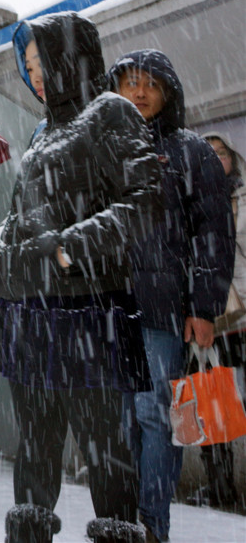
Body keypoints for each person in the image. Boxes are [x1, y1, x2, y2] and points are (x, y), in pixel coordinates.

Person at [0, 12, 163, 543]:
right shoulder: (42, 131)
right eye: (28, 66)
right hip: (32, 310)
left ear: (72, 56)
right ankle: (30, 532)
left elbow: (147, 201)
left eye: (44, 62)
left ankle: (117, 532)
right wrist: (1, 243)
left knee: (104, 444)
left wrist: (69, 249)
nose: (36, 76)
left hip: (90, 311)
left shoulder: (109, 112)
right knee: (36, 444)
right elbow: (27, 211)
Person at [107, 50, 234, 542]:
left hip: (165, 309)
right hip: (114, 307)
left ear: (168, 93)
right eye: (130, 83)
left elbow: (214, 233)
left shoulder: (191, 151)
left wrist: (205, 306)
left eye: (151, 84)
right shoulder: (105, 146)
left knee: (155, 415)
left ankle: (150, 522)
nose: (139, 92)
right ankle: (122, 516)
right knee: (121, 418)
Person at [186, 130, 246, 512]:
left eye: (220, 153)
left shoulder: (242, 200)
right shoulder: (190, 203)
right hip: (206, 319)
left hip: (241, 317)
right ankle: (219, 488)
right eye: (206, 153)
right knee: (212, 407)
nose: (214, 159)